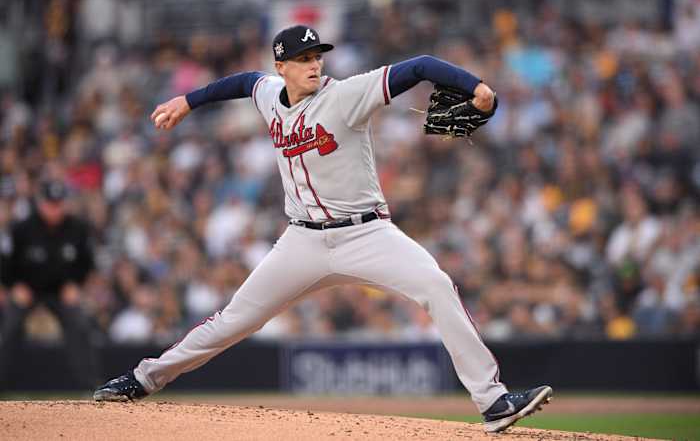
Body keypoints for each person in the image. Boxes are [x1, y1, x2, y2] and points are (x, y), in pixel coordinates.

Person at [93, 25, 552, 433]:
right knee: (233, 320)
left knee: (435, 284)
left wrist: (476, 87)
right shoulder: (268, 93)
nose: (314, 65)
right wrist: (187, 101)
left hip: (367, 234)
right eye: (303, 60)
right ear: (282, 67)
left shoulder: (347, 94)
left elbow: (421, 67)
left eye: (317, 57)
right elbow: (241, 83)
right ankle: (142, 379)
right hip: (302, 241)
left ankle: (492, 401)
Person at [0, 179, 98, 390]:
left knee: (80, 326)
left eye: (59, 204)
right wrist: (13, 285)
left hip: (61, 292)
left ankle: (90, 387)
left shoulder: (77, 228)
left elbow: (87, 263)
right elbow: (5, 262)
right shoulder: (21, 229)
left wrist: (75, 285)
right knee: (9, 327)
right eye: (50, 204)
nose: (55, 209)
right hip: (27, 289)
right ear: (40, 203)